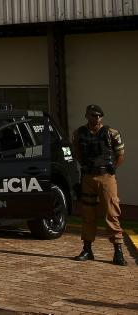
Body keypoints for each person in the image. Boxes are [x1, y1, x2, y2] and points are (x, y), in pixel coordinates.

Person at [72, 104, 127, 266]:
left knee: (111, 213)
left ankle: (118, 251)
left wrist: (111, 169)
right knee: (88, 214)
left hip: (106, 177)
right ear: (87, 116)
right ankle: (87, 249)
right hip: (88, 177)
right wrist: (86, 168)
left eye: (99, 116)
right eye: (93, 115)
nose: (97, 118)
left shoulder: (111, 133)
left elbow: (120, 155)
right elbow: (78, 154)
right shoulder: (79, 133)